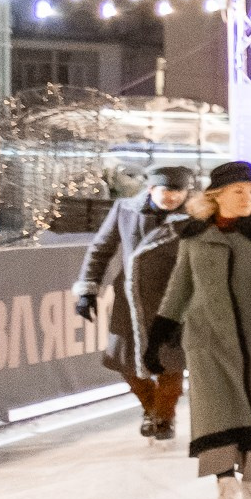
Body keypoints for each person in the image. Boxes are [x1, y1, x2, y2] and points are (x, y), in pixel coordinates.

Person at [145, 162, 251, 499]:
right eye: (239, 191)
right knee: (216, 414)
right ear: (216, 196)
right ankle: (226, 487)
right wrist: (160, 334)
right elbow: (179, 288)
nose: (249, 197)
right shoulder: (194, 237)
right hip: (207, 341)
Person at [73, 164, 192, 444]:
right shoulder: (126, 210)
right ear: (151, 188)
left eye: (179, 192)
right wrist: (87, 290)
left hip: (175, 300)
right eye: (166, 191)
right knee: (125, 362)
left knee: (170, 364)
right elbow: (101, 248)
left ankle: (164, 417)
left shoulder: (196, 218)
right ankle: (150, 407)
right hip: (132, 300)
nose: (172, 197)